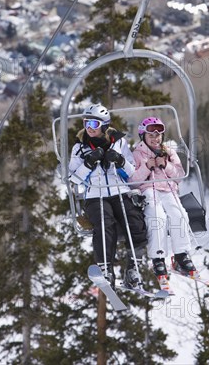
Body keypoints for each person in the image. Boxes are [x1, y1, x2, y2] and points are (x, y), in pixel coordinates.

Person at [69, 103, 147, 289]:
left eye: (94, 125)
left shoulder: (119, 143)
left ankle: (133, 268)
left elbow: (132, 172)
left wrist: (119, 160)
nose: (89, 128)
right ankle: (106, 269)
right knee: (105, 223)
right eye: (87, 123)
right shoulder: (79, 149)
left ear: (104, 126)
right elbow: (75, 179)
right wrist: (88, 163)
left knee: (134, 221)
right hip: (95, 195)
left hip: (119, 191)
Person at [129, 116, 196, 287]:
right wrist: (147, 166)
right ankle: (158, 258)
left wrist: (165, 165)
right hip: (148, 190)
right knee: (157, 217)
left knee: (179, 214)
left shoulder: (169, 152)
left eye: (158, 135)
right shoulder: (137, 154)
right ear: (143, 136)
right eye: (151, 135)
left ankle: (181, 256)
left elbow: (180, 175)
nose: (155, 139)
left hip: (168, 190)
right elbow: (132, 181)